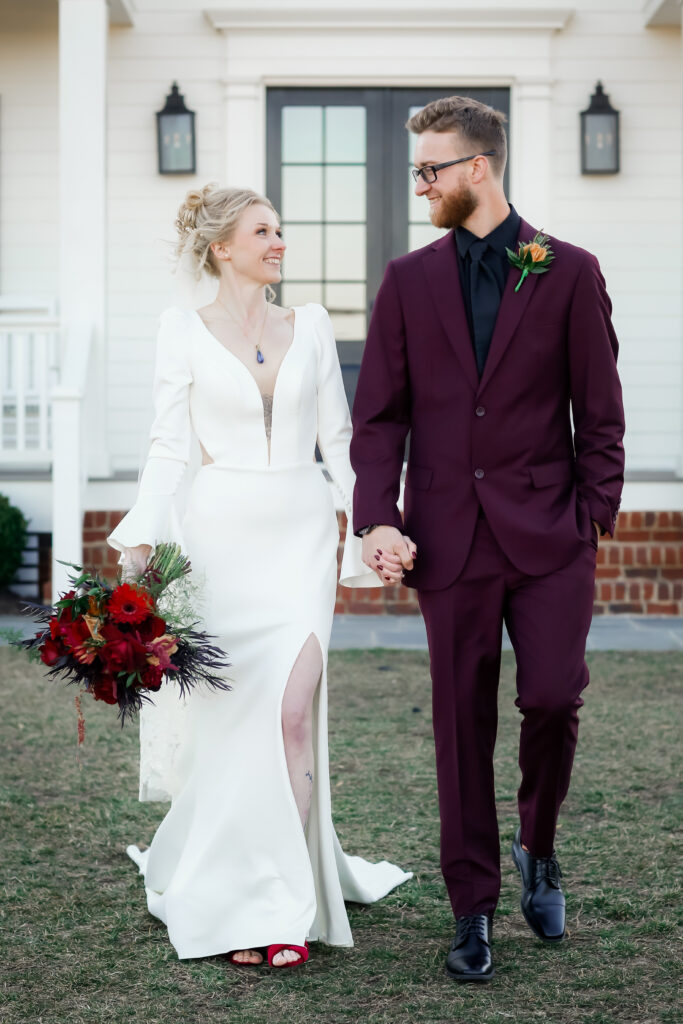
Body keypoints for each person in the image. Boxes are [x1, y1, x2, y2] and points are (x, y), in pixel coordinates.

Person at [350, 96, 625, 982]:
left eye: (430, 169)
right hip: (446, 541)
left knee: (551, 698)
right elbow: (379, 418)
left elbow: (602, 412)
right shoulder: (406, 280)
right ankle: (471, 908)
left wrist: (592, 515)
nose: (419, 185)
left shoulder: (568, 271)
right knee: (459, 726)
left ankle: (536, 849)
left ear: (478, 169)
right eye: (415, 170)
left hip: (550, 537)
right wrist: (377, 514)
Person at [107, 185, 411, 968]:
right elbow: (168, 446)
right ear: (222, 248)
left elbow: (340, 441)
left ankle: (284, 905)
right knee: (228, 723)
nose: (280, 241)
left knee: (290, 715)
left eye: (280, 229)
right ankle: (230, 886)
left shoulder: (309, 324)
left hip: (300, 537)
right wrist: (142, 534)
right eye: (263, 230)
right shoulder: (182, 331)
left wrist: (376, 522)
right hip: (219, 540)